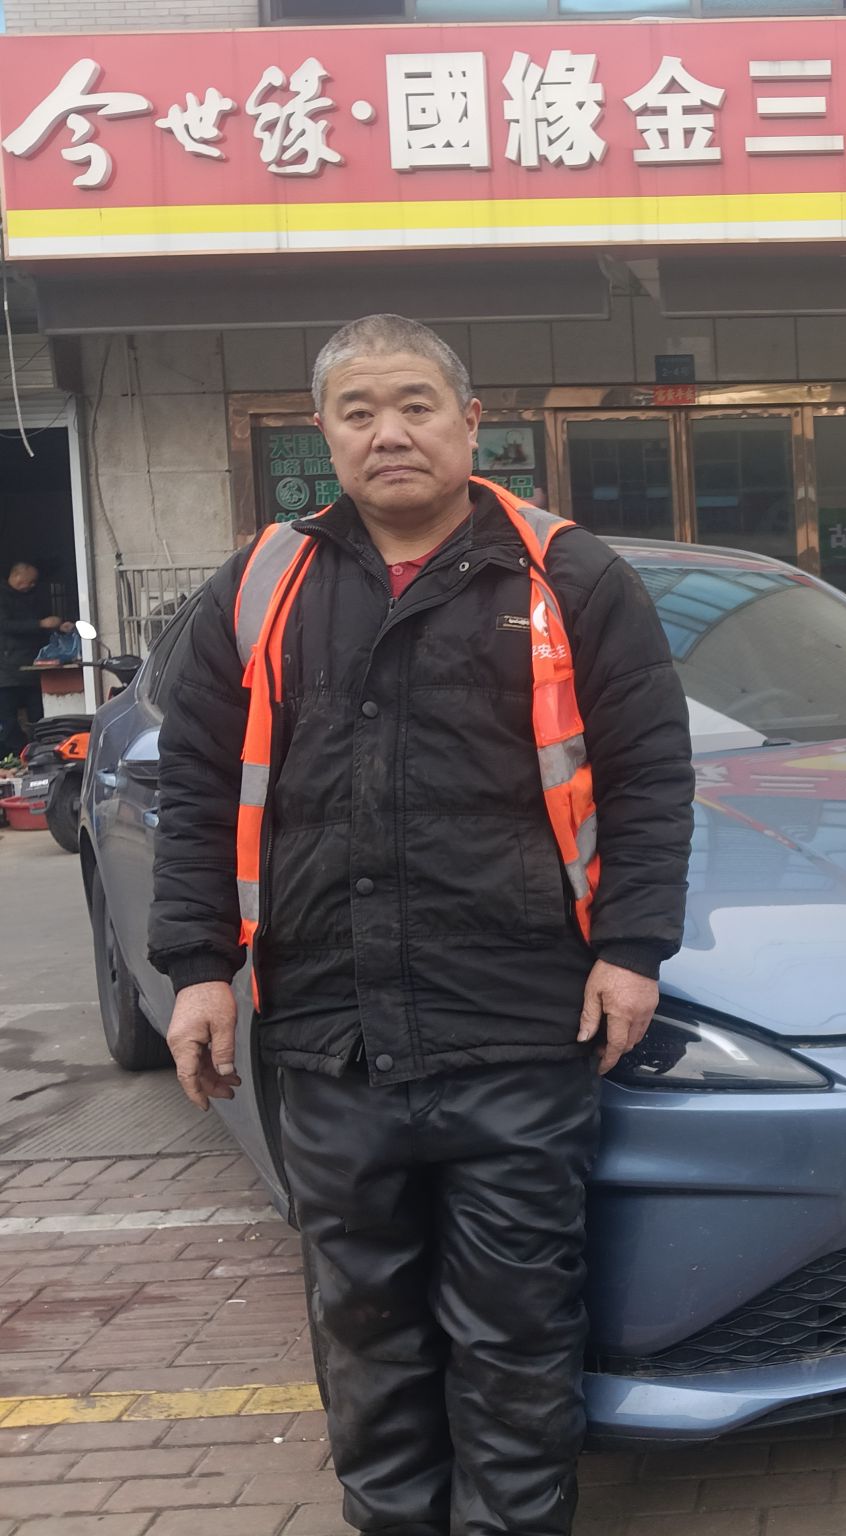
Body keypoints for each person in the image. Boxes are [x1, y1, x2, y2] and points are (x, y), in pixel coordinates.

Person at [147, 314, 695, 1536]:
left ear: (469, 423)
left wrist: (632, 949)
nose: (388, 432)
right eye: (358, 412)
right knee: (365, 1326)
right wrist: (197, 967)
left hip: (517, 1026)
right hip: (328, 1031)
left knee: (517, 1332)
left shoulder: (568, 577)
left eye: (414, 405)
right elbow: (197, 786)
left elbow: (650, 777)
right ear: (324, 433)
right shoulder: (262, 586)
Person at [0, 561, 71, 758]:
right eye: (29, 582)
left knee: (38, 717)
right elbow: (6, 625)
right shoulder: (3, 597)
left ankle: (39, 752)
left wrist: (57, 626)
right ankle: (18, 753)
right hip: (7, 671)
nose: (32, 585)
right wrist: (40, 624)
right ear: (17, 577)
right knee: (8, 720)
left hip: (33, 667)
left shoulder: (34, 596)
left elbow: (42, 622)